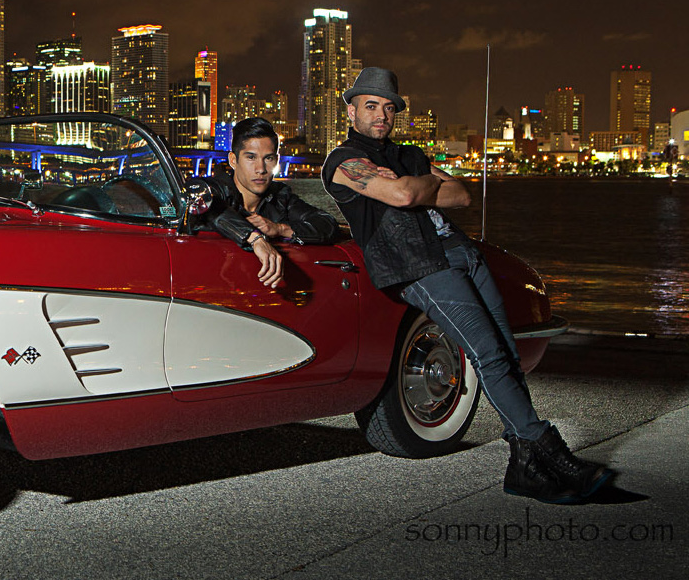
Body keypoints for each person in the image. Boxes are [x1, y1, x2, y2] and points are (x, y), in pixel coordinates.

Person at [320, 67, 612, 504]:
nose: (380, 115)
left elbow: (460, 195)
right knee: (486, 353)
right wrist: (421, 186)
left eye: (387, 107)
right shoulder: (344, 161)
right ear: (351, 109)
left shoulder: (408, 155)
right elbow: (401, 196)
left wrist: (418, 186)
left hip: (460, 253)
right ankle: (550, 452)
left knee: (507, 353)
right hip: (417, 266)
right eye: (370, 106)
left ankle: (523, 467)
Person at [203, 117, 341, 288]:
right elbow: (209, 208)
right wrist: (255, 238)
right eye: (251, 157)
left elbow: (327, 224)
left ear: (276, 160)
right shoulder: (214, 191)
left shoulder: (280, 197)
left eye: (268, 159)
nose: (260, 169)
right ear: (233, 160)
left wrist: (279, 229)